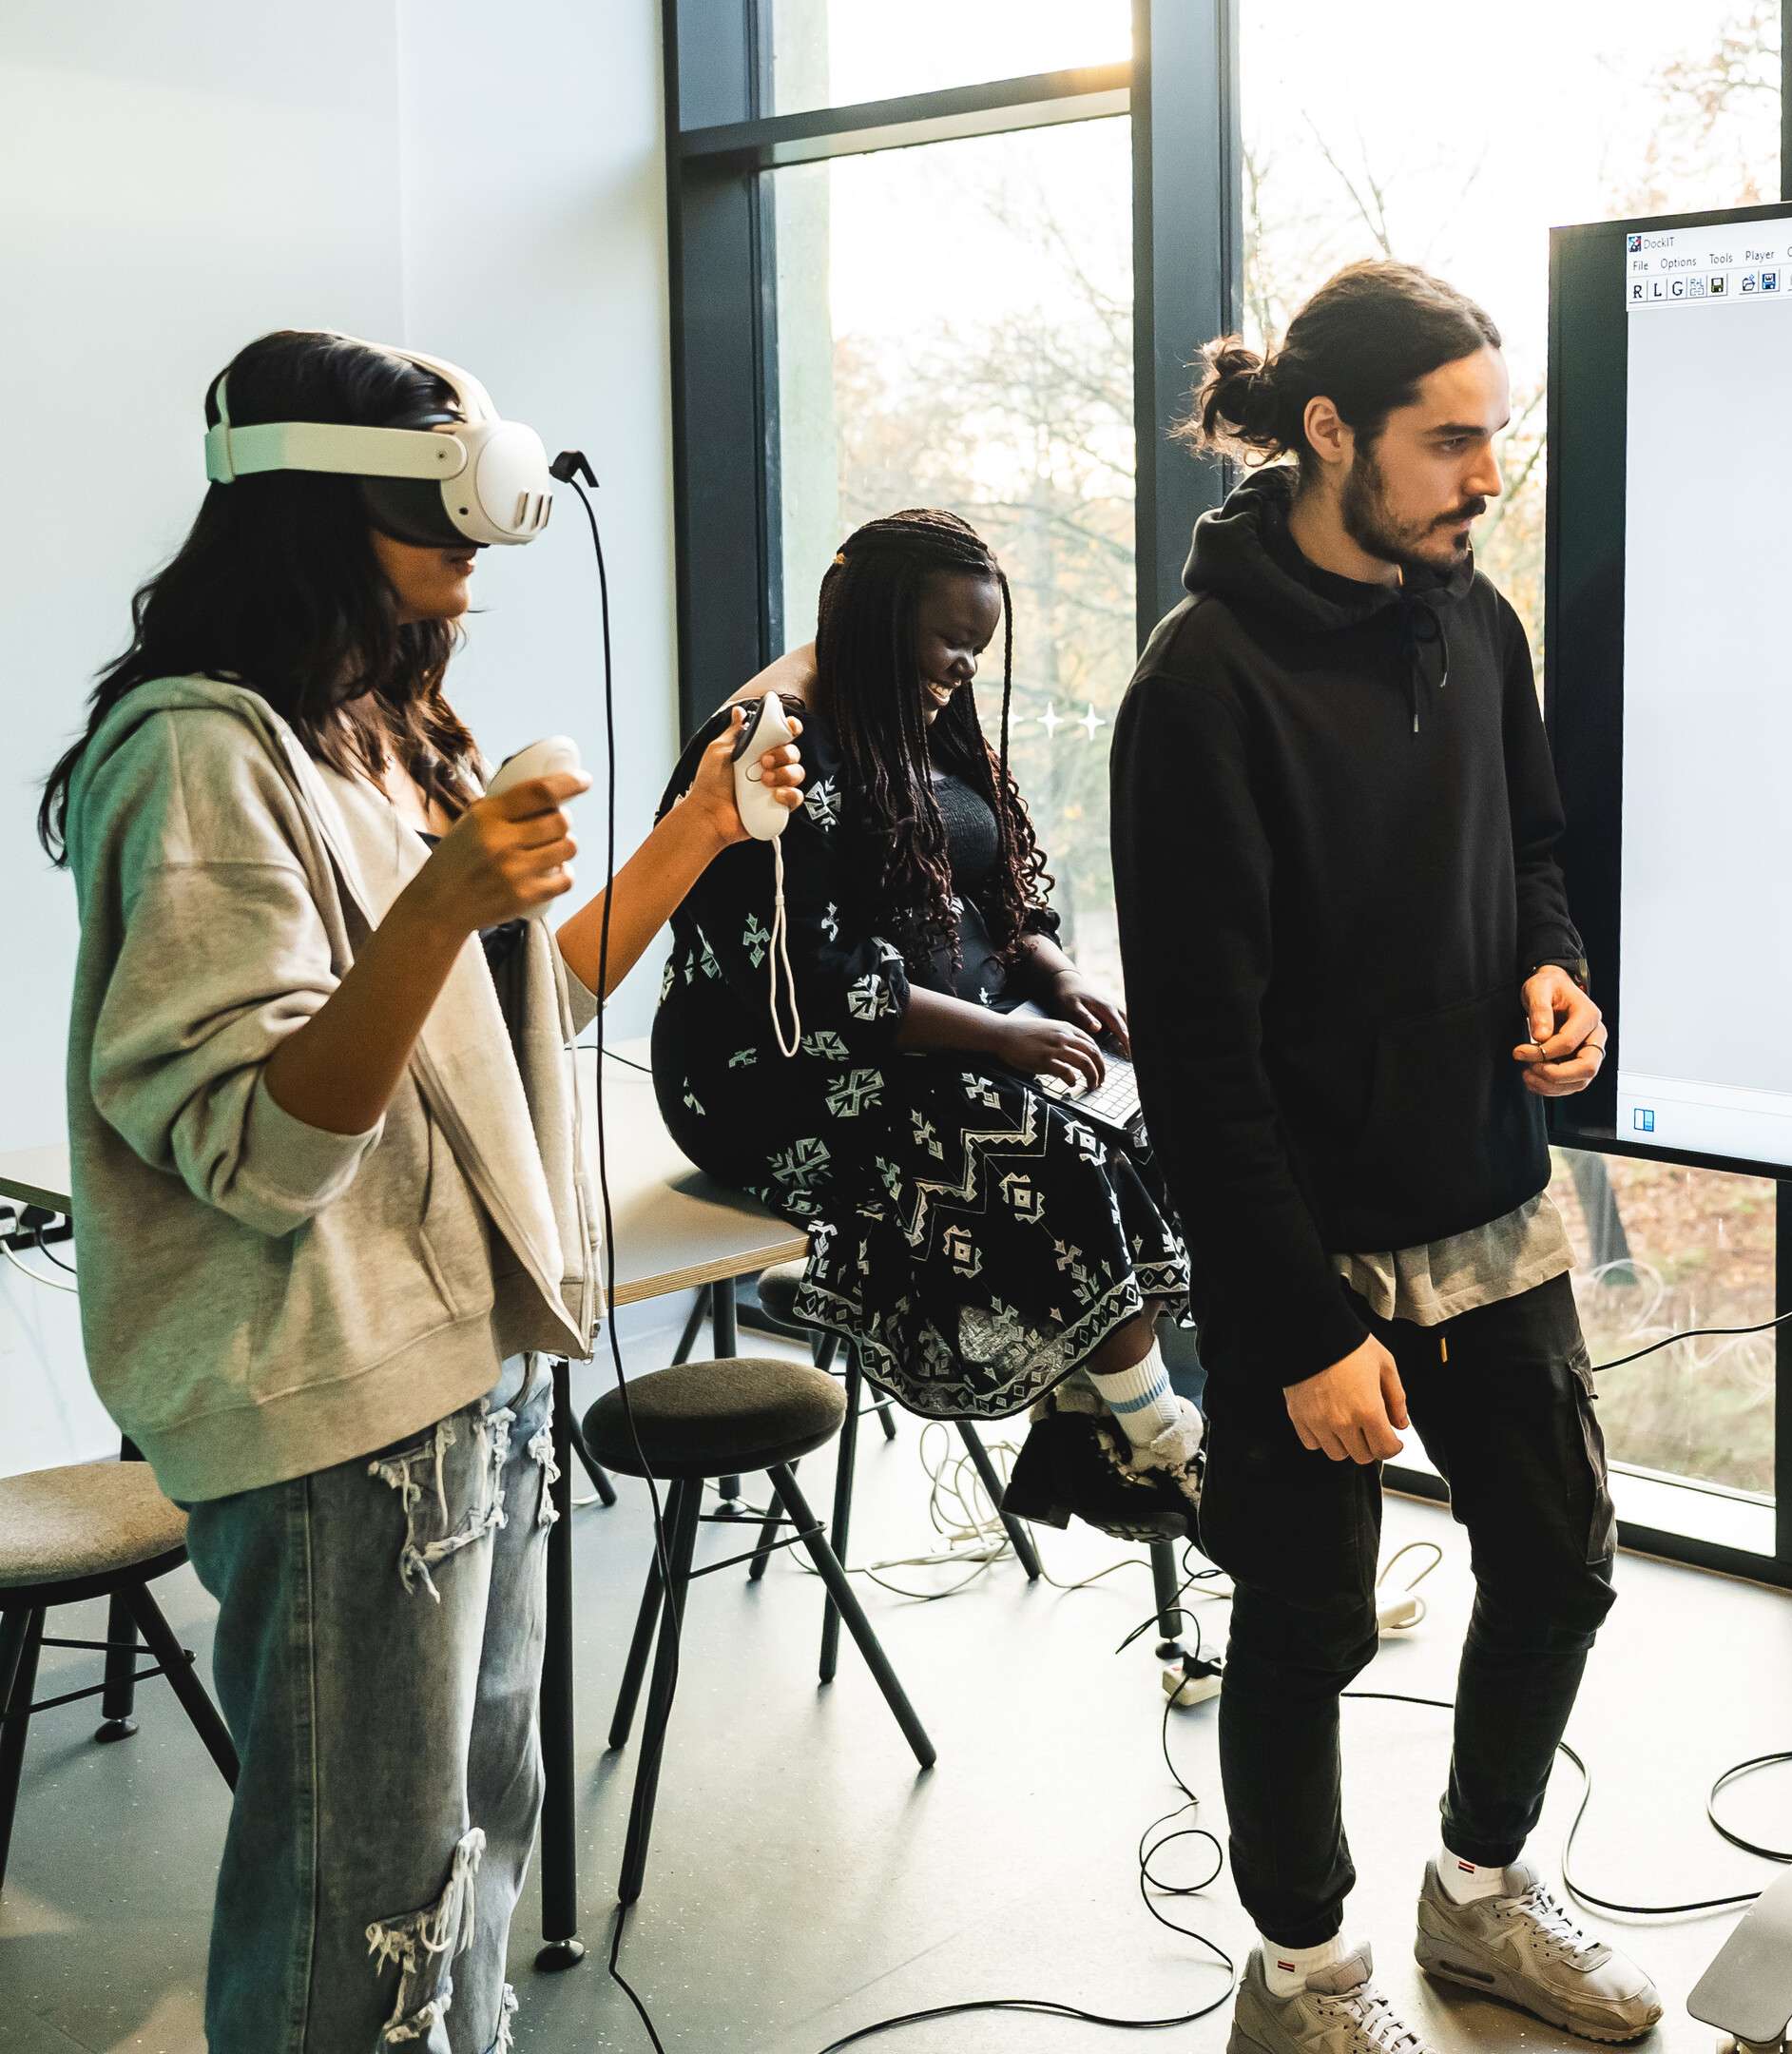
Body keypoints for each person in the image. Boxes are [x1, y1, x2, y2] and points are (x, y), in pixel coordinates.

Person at [49, 329, 802, 2050]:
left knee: (472, 1842)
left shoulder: (384, 731)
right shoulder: (195, 754)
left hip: (477, 1372)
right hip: (334, 1407)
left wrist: (696, 832)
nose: (475, 551)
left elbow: (523, 1010)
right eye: (434, 511)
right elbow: (258, 1140)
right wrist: (433, 911)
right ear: (315, 509)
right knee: (361, 1900)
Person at [1111, 261, 1649, 2051]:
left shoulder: (1472, 619)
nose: (1484, 476)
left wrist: (1555, 969)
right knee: (1308, 1619)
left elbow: (1540, 846)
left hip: (1487, 1200)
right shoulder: (1201, 689)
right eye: (1451, 442)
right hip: (1308, 1249)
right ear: (1329, 431)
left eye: (1497, 438)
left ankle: (1483, 1894)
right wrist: (1297, 1331)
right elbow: (1196, 1063)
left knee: (1562, 1557)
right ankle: (1308, 1976)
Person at [650, 510, 1197, 1527]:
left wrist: (1050, 967)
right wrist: (1000, 1037)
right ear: (876, 614)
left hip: (948, 1029)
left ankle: (1089, 1421)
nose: (963, 669)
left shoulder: (908, 708)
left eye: (978, 650)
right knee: (1039, 1148)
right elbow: (810, 977)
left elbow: (992, 871)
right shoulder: (768, 744)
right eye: (950, 642)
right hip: (770, 1079)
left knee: (1152, 1108)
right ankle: (1162, 1449)